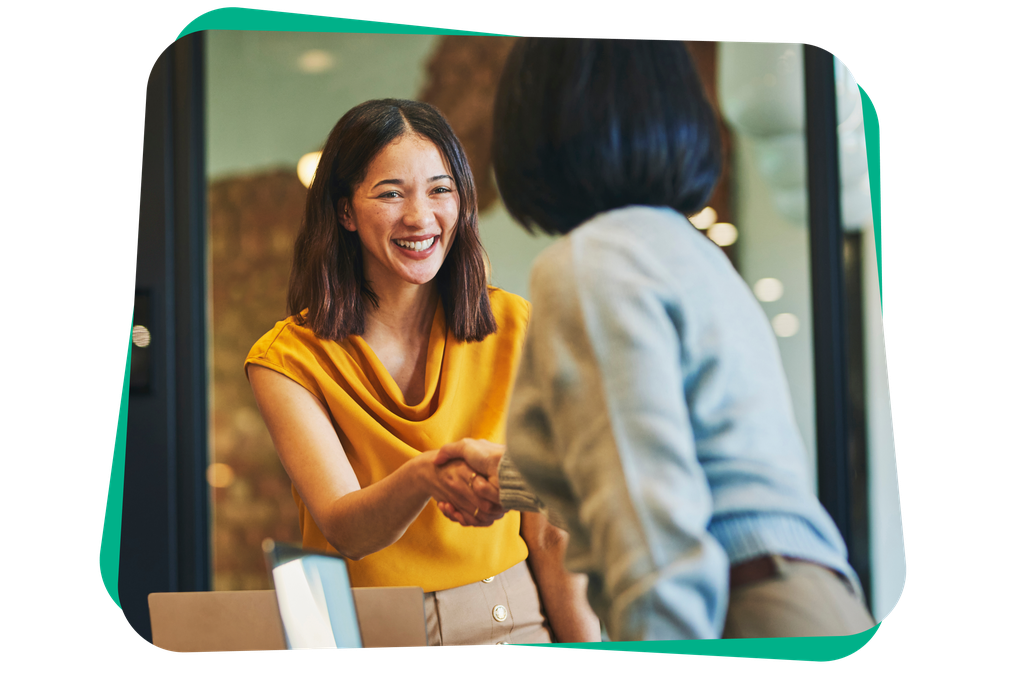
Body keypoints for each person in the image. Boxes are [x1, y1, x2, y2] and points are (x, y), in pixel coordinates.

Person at [434, 38, 876, 642]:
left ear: (537, 118)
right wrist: (510, 479)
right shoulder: (686, 251)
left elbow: (651, 535)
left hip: (739, 609)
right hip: (804, 598)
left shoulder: (591, 266)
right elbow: (684, 464)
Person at [244, 99, 599, 646]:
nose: (420, 216)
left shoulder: (516, 324)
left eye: (440, 189)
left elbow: (552, 531)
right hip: (360, 627)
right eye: (391, 193)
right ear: (345, 212)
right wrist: (424, 475)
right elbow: (346, 529)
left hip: (509, 615)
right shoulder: (286, 359)